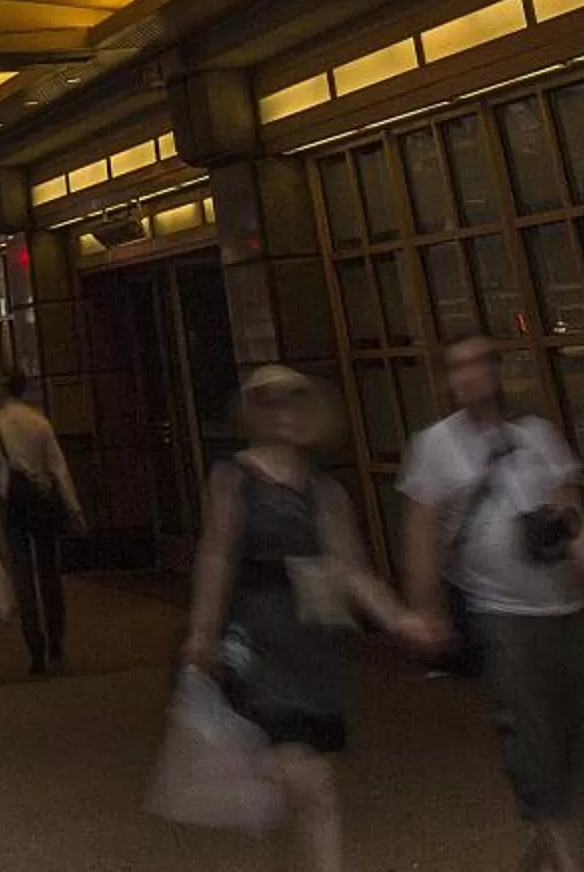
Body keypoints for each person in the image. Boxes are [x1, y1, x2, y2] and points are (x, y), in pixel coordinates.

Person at [404, 333, 584, 872]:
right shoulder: (436, 445)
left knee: (581, 740)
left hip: (562, 609)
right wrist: (427, 608)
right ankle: (572, 862)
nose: (472, 376)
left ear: (497, 371)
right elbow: (422, 532)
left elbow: (574, 522)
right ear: (448, 380)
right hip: (499, 615)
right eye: (459, 366)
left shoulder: (535, 437)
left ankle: (545, 852)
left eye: (481, 364)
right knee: (532, 742)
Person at [185, 365, 426, 872]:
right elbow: (217, 555)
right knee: (307, 780)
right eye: (271, 402)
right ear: (255, 414)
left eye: (295, 400)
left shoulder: (325, 492)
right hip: (255, 641)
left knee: (297, 781)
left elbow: (352, 569)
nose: (285, 412)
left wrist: (399, 618)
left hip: (310, 644)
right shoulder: (234, 480)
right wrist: (203, 631)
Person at [0, 367, 85, 676]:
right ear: (24, 388)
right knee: (49, 572)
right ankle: (56, 638)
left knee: (22, 574)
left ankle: (34, 647)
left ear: (3, 389)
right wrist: (74, 510)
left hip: (12, 505)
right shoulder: (40, 423)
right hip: (42, 502)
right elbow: (59, 468)